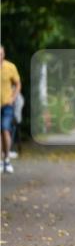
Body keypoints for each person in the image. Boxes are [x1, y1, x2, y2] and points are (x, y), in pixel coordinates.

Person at [1, 45, 21, 174]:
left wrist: (13, 98)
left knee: (5, 129)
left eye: (1, 53)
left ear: (4, 54)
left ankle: (7, 159)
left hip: (7, 104)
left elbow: (18, 84)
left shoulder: (10, 67)